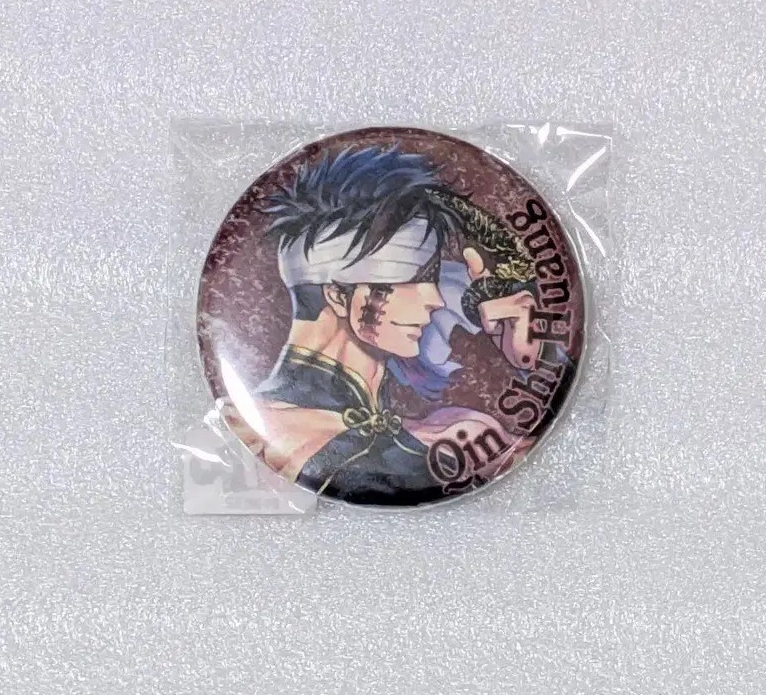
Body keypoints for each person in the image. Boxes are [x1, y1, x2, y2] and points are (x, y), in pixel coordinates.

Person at [221, 144, 541, 506]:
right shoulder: (253, 432)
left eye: (433, 276)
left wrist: (532, 356)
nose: (436, 300)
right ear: (339, 296)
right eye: (416, 278)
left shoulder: (457, 434)